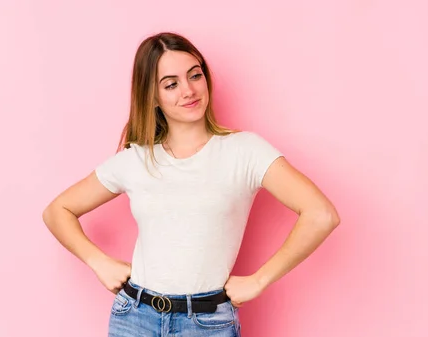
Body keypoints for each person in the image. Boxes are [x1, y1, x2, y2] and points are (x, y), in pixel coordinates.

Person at [42, 32, 340, 337]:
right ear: (153, 97)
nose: (188, 90)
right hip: (134, 319)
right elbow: (57, 210)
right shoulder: (136, 159)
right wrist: (98, 262)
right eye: (171, 84)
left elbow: (321, 214)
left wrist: (259, 280)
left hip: (207, 324)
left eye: (195, 76)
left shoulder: (245, 151)